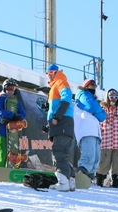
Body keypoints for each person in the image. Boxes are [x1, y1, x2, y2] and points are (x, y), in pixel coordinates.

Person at [40, 63, 75, 192]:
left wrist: (57, 117)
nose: (48, 75)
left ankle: (63, 182)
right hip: (63, 124)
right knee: (63, 153)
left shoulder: (61, 81)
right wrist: (49, 124)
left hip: (62, 123)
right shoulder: (55, 86)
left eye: (51, 72)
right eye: (47, 73)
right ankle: (70, 181)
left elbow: (66, 99)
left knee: (58, 152)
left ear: (56, 72)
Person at [95, 88, 118, 188]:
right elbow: (98, 124)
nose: (113, 98)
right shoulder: (102, 110)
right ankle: (99, 183)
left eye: (116, 97)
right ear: (107, 97)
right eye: (111, 96)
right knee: (103, 164)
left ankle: (115, 185)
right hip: (105, 142)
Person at [74, 79, 106, 180]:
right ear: (86, 85)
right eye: (91, 84)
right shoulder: (82, 94)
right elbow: (91, 107)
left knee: (95, 157)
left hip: (94, 131)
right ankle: (81, 174)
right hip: (86, 130)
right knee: (89, 155)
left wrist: (97, 110)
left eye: (95, 85)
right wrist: (98, 110)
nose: (94, 87)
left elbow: (103, 117)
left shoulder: (92, 98)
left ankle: (89, 177)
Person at [0, 78, 26, 168]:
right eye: (9, 87)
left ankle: (11, 168)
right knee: (3, 151)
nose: (11, 90)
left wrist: (18, 117)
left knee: (12, 151)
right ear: (4, 88)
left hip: (13, 131)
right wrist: (11, 115)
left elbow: (23, 113)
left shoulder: (16, 101)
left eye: (13, 88)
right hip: (1, 129)